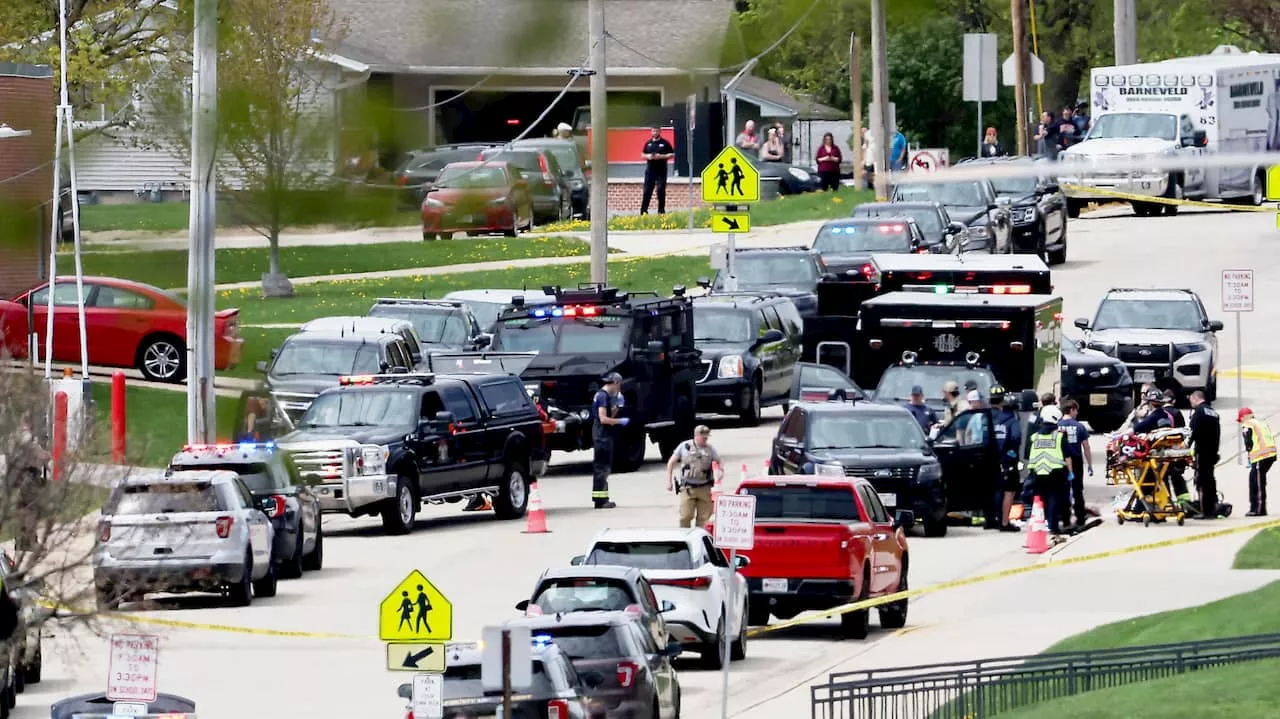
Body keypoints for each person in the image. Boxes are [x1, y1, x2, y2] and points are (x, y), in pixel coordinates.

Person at [1026, 405, 1073, 536]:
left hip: (1038, 473)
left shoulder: (1035, 437)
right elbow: (1067, 457)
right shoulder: (1059, 436)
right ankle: (1053, 527)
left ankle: (1042, 524)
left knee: (1041, 499)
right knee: (1054, 499)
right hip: (1055, 472)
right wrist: (1070, 472)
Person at [665, 425, 724, 528]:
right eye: (703, 437)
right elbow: (671, 462)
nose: (705, 439)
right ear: (696, 436)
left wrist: (721, 471)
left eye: (707, 437)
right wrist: (669, 481)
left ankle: (699, 539)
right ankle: (684, 537)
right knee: (686, 516)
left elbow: (720, 460)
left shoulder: (710, 449)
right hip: (688, 488)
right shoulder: (684, 447)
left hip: (704, 488)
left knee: (704, 518)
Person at [591, 372, 628, 509]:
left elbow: (608, 414)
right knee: (602, 468)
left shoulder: (605, 396)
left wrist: (618, 406)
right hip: (602, 435)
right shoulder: (602, 396)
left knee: (605, 468)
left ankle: (602, 498)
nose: (618, 389)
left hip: (603, 434)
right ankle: (600, 500)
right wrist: (620, 421)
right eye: (619, 386)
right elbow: (603, 419)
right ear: (616, 383)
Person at [988, 386, 1022, 532]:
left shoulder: (988, 418)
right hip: (1007, 461)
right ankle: (1004, 522)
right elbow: (1016, 438)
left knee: (994, 490)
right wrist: (1012, 455)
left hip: (990, 460)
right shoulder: (1011, 421)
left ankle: (991, 520)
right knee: (1009, 491)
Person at [1058, 399, 1094, 529]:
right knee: (1077, 489)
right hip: (1076, 459)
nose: (1077, 413)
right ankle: (1080, 516)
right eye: (1076, 410)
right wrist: (1089, 464)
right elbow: (1086, 447)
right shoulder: (1079, 426)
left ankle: (1064, 516)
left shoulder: (1057, 425)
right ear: (1072, 409)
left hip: (1061, 460)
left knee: (1063, 489)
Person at [1188, 390, 1221, 519]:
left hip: (1202, 451)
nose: (1191, 402)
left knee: (1202, 480)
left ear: (1196, 398)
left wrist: (1186, 446)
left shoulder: (1199, 412)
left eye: (1191, 400)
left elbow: (1191, 432)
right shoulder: (1214, 413)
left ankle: (1205, 510)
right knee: (1210, 479)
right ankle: (1212, 507)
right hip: (1212, 451)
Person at [1239, 407, 1275, 516]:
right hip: (1270, 455)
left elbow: (1248, 441)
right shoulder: (1261, 423)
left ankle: (1259, 509)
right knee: (1254, 479)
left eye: (1240, 419)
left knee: (1258, 483)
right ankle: (1254, 507)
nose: (1240, 422)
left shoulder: (1247, 424)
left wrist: (1249, 452)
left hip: (1261, 456)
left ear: (1243, 417)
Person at [640, 127, 674, 215]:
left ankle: (661, 211)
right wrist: (648, 156)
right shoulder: (648, 143)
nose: (654, 132)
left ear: (659, 131)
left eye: (656, 131)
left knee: (660, 190)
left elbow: (672, 154)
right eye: (653, 131)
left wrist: (661, 156)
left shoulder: (665, 143)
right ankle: (643, 211)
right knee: (647, 191)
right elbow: (642, 154)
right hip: (650, 171)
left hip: (661, 171)